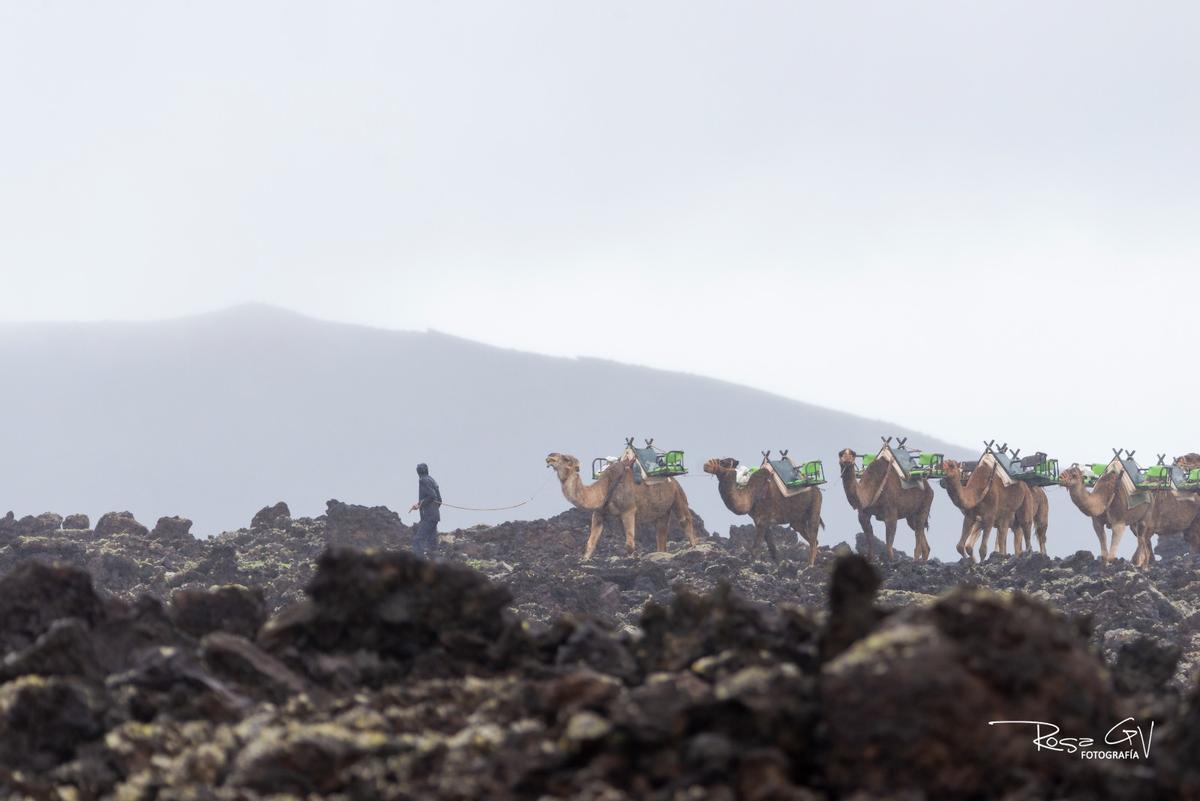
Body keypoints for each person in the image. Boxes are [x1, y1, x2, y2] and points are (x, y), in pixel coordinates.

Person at [409, 462, 442, 558]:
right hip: (435, 517)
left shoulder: (423, 480)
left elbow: (432, 496)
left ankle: (418, 564)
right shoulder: (432, 480)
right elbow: (439, 500)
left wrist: (420, 504)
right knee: (432, 543)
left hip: (428, 517)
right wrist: (433, 509)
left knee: (417, 540)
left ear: (418, 472)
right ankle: (435, 564)